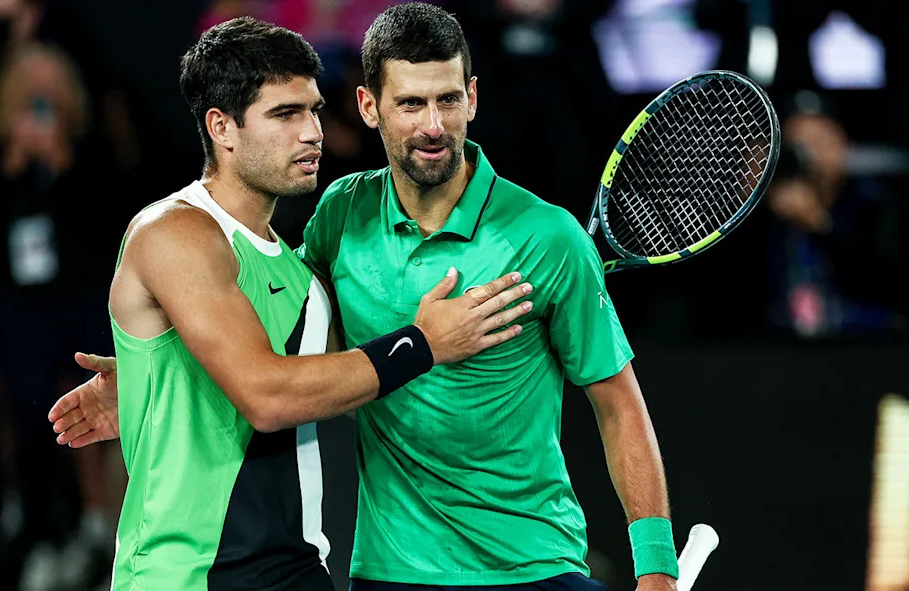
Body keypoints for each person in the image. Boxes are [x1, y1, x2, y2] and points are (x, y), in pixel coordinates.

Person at [52, 4, 678, 591]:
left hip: (529, 564)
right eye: (410, 103)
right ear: (372, 107)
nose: (433, 125)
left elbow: (620, 405)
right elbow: (272, 377)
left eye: (448, 100)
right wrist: (158, 375)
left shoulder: (548, 237)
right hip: (381, 567)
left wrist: (655, 569)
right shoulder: (336, 217)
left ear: (473, 100)